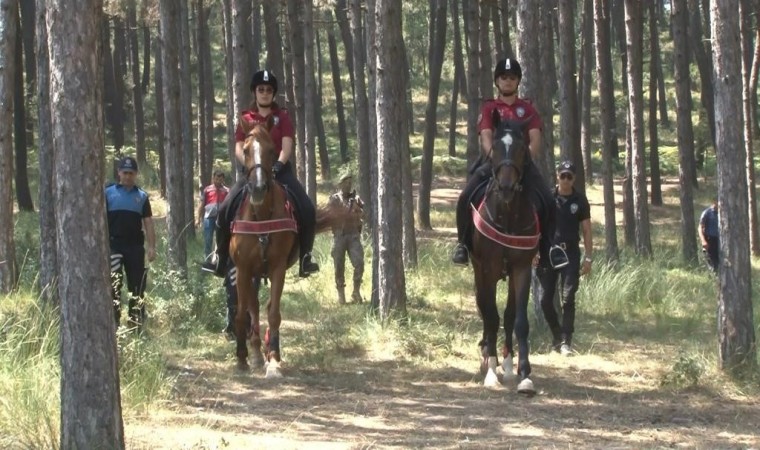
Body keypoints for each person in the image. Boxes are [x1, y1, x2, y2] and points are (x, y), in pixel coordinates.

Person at [202, 69, 319, 278]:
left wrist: (278, 165)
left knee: (308, 208)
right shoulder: (246, 118)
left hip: (278, 172)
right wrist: (249, 167)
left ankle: (305, 258)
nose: (264, 93)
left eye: (268, 90)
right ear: (254, 92)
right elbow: (239, 146)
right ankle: (219, 256)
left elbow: (286, 146)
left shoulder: (282, 117)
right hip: (252, 172)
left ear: (273, 93)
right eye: (261, 89)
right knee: (224, 209)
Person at [452, 57, 566, 270]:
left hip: (521, 165)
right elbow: (486, 136)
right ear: (497, 81)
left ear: (518, 81)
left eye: (512, 77)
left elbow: (535, 139)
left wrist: (522, 163)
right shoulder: (489, 108)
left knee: (549, 201)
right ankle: (463, 245)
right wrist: (496, 160)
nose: (507, 81)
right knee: (465, 197)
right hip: (495, 163)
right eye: (503, 77)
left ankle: (550, 247)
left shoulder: (527, 110)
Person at [537, 161, 592, 356]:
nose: (566, 180)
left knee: (568, 298)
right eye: (563, 176)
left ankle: (566, 341)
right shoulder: (548, 199)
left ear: (574, 178)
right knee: (544, 300)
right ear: (557, 176)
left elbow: (586, 229)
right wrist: (534, 252)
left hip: (571, 254)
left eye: (569, 176)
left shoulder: (580, 200)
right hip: (548, 253)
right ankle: (557, 335)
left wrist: (589, 258)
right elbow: (537, 226)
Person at [105, 156, 156, 328]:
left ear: (136, 174)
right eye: (124, 172)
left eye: (131, 173)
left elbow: (148, 222)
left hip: (135, 247)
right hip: (114, 246)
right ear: (119, 173)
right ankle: (114, 323)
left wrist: (152, 247)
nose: (127, 176)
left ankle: (135, 322)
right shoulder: (107, 192)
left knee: (137, 285)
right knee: (114, 283)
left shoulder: (141, 196)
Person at [328, 172, 365, 304]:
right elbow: (331, 216)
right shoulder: (334, 199)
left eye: (350, 183)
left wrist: (358, 210)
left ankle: (356, 291)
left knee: (359, 262)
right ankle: (341, 294)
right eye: (346, 183)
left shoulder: (356, 199)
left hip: (353, 235)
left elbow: (363, 214)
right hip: (339, 236)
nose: (348, 185)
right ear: (340, 184)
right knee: (339, 265)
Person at [196, 170, 229, 259]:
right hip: (209, 218)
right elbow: (202, 204)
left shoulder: (226, 191)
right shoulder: (207, 190)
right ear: (213, 178)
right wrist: (198, 218)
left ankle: (218, 260)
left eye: (220, 179)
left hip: (221, 219)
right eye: (217, 179)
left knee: (221, 240)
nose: (218, 181)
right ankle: (207, 260)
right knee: (208, 239)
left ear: (223, 180)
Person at [699, 198, 719, 273]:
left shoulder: (723, 213)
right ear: (714, 202)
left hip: (720, 241)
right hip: (710, 240)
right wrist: (703, 241)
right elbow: (700, 227)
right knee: (713, 265)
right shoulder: (707, 213)